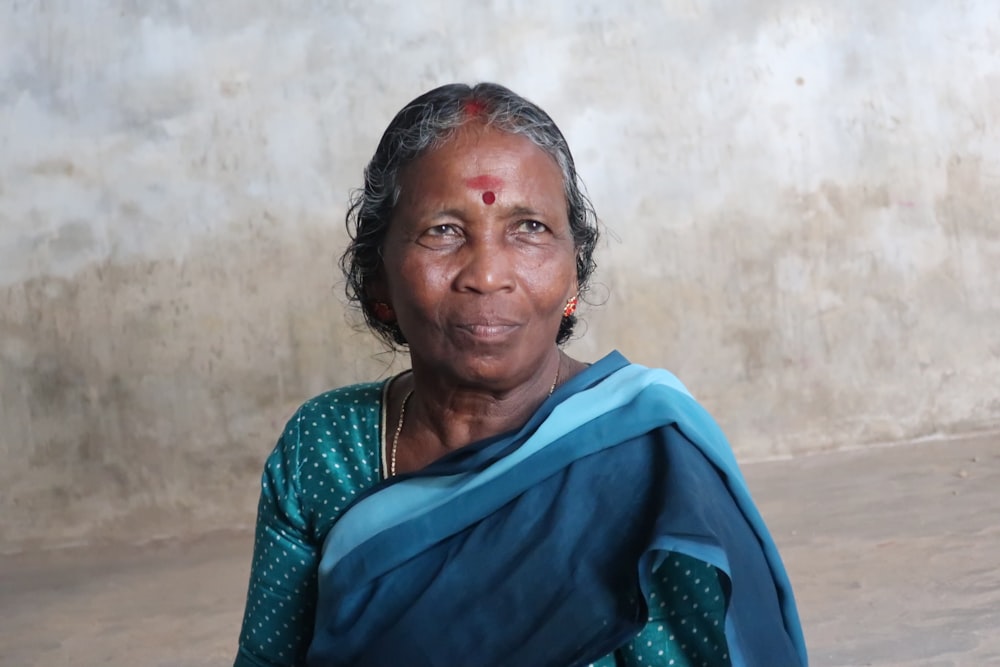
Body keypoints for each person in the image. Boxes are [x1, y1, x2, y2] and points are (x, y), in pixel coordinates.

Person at [234, 82, 807, 667]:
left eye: (529, 228)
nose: (486, 275)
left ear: (573, 276)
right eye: (443, 231)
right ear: (379, 279)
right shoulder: (325, 447)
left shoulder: (650, 453)